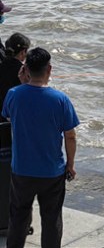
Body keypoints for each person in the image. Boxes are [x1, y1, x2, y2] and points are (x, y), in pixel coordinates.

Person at [1, 47, 80, 248]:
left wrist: (22, 84)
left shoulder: (13, 94)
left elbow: (11, 116)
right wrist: (70, 165)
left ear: (25, 69)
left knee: (18, 218)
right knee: (52, 220)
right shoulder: (60, 99)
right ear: (49, 69)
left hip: (22, 170)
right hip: (51, 171)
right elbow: (70, 136)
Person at [0, 33, 30, 234]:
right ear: (24, 52)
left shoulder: (2, 64)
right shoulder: (20, 74)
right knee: (15, 182)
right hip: (10, 132)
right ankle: (14, 223)